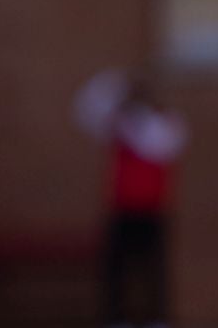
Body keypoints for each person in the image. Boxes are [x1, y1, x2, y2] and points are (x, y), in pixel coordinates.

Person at [75, 70, 185, 328]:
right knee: (116, 269)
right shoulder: (119, 124)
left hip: (151, 210)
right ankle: (117, 318)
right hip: (122, 209)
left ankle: (156, 319)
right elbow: (86, 111)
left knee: (153, 269)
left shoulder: (163, 124)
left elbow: (157, 144)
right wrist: (114, 88)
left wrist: (134, 120)